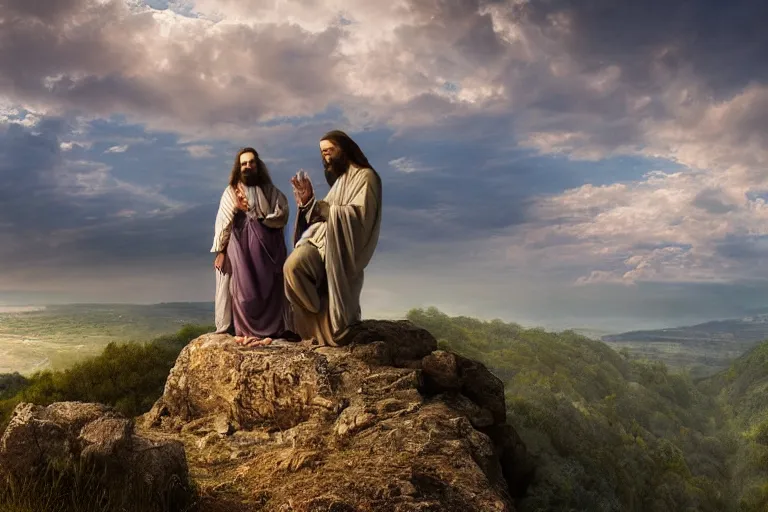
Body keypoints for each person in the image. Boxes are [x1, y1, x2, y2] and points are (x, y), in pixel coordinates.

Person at [284, 130, 383, 346]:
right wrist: (307, 202)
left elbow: (361, 218)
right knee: (292, 267)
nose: (326, 156)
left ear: (344, 149)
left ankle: (330, 323)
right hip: (320, 242)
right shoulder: (340, 181)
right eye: (323, 153)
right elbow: (321, 212)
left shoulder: (367, 177)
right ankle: (317, 316)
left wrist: (327, 210)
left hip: (341, 249)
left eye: (330, 151)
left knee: (298, 268)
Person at [211, 147, 292, 346]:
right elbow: (224, 223)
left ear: (257, 165)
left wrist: (262, 219)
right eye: (244, 163)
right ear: (239, 168)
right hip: (241, 250)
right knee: (245, 294)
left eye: (251, 162)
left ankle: (273, 331)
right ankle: (245, 330)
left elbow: (282, 213)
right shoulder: (231, 192)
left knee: (270, 290)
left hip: (266, 252)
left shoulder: (270, 190)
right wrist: (222, 251)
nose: (248, 167)